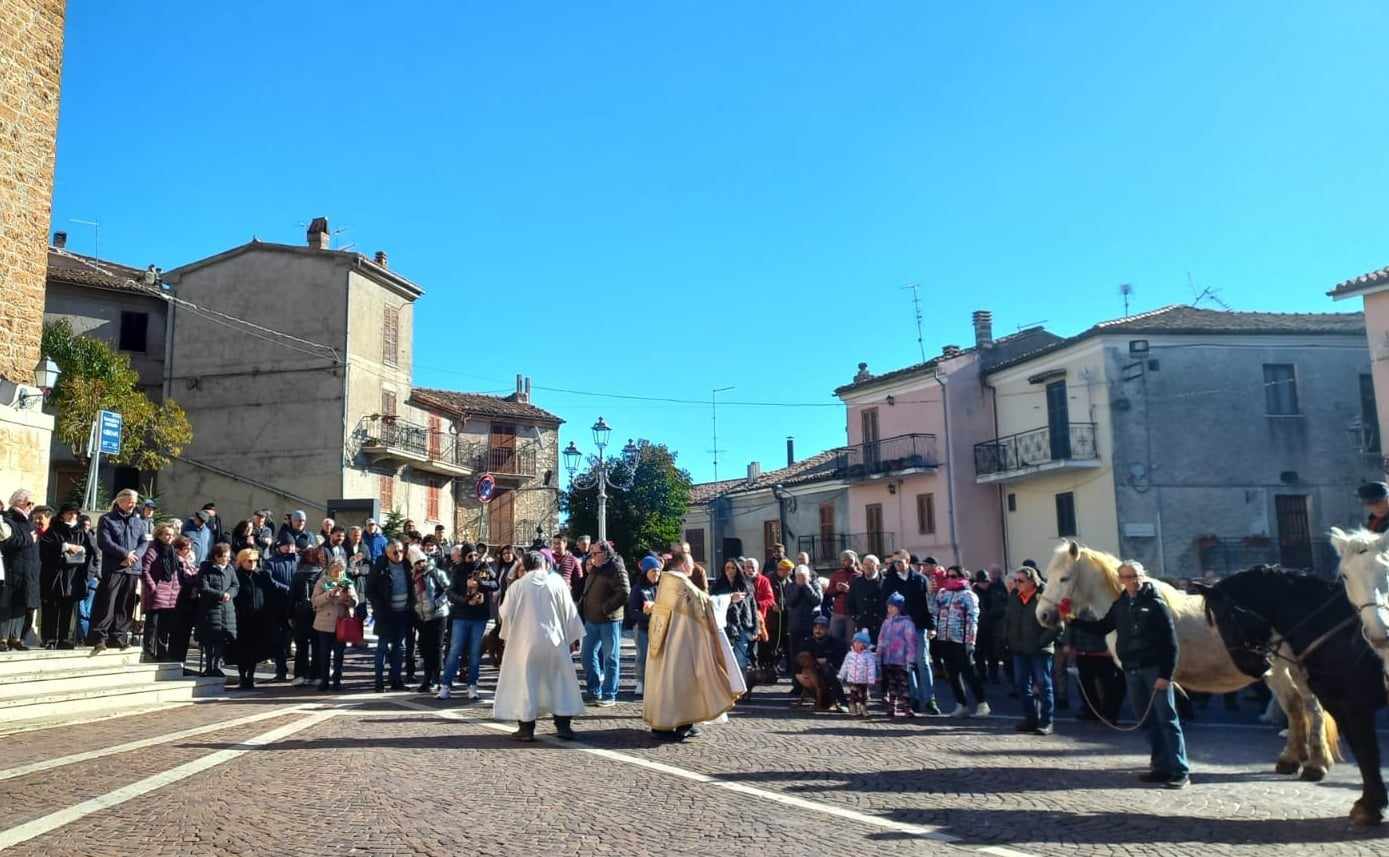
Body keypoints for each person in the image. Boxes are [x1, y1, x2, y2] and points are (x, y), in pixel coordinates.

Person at [1073, 560, 1189, 787]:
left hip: (1154, 670)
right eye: (1127, 577)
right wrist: (1072, 621)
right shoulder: (1121, 604)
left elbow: (1171, 644)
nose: (1132, 580)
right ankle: (1160, 766)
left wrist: (1165, 675)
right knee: (1146, 720)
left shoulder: (1156, 604)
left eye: (1135, 576)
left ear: (1142, 576)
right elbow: (1102, 627)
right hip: (1132, 670)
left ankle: (1179, 770)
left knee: (1167, 720)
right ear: (1121, 581)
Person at [643, 551, 744, 740]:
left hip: (671, 641)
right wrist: (729, 598)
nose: (693, 567)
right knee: (680, 682)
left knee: (674, 683)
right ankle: (671, 726)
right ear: (682, 565)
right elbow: (704, 603)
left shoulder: (666, 581)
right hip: (678, 645)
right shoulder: (681, 582)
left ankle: (675, 724)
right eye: (690, 563)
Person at [492, 550, 584, 741]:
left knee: (527, 683)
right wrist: (573, 637)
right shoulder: (557, 582)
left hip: (526, 644)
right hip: (555, 641)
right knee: (560, 683)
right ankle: (563, 726)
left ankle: (526, 728)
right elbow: (569, 612)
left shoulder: (518, 586)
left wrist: (510, 634)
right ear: (544, 564)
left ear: (525, 565)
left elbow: (505, 613)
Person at [1005, 565, 1061, 735]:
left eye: (1020, 581)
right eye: (1015, 581)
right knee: (1021, 685)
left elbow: (1057, 627)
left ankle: (1046, 722)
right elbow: (1008, 620)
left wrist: (1039, 643)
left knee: (1044, 685)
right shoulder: (1014, 596)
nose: (1017, 584)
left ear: (1032, 581)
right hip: (1019, 649)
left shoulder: (1045, 597)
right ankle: (1031, 719)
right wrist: (1007, 640)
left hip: (1040, 650)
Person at [91, 489, 149, 652]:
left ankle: (119, 636)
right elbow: (104, 541)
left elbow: (143, 542)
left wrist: (134, 556)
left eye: (135, 501)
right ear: (120, 500)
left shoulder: (138, 522)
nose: (133, 504)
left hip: (132, 568)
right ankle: (100, 637)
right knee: (107, 602)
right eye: (130, 501)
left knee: (126, 604)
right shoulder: (107, 519)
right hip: (115, 567)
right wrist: (124, 554)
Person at [440, 542, 497, 700]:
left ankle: (472, 685)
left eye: (475, 555)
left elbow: (495, 583)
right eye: (469, 556)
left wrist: (481, 583)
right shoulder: (458, 571)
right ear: (464, 557)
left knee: (474, 652)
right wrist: (465, 600)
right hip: (461, 615)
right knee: (454, 650)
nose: (473, 558)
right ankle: (446, 684)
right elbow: (450, 592)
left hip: (479, 616)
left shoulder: (484, 567)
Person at [933, 565, 990, 717]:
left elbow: (973, 620)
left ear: (962, 577)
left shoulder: (968, 595)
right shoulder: (942, 593)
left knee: (969, 672)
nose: (950, 579)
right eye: (948, 576)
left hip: (961, 640)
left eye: (954, 576)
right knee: (951, 674)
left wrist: (971, 641)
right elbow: (935, 612)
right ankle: (961, 704)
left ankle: (982, 703)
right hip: (944, 638)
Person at [579, 540, 630, 707]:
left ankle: (609, 694)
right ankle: (594, 691)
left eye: (595, 553)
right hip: (592, 620)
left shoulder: (616, 567)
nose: (592, 557)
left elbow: (624, 591)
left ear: (605, 553)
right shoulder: (596, 567)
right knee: (587, 655)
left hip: (609, 620)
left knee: (610, 658)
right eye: (591, 554)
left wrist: (606, 608)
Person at [40, 502, 95, 649]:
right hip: (55, 575)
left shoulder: (81, 532)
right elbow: (44, 548)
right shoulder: (53, 530)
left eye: (75, 514)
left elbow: (93, 552)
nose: (73, 516)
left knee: (67, 607)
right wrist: (65, 546)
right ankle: (50, 638)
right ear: (62, 515)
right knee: (52, 607)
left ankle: (63, 638)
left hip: (74, 575)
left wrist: (82, 550)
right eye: (69, 513)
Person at [367, 540, 413, 692]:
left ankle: (396, 680)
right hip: (385, 614)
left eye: (400, 551)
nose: (398, 554)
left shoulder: (407, 565)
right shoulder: (380, 566)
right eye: (395, 552)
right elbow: (370, 590)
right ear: (387, 553)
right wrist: (379, 608)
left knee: (399, 648)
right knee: (382, 648)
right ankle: (378, 682)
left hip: (403, 613)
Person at [229, 548, 276, 689]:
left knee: (255, 650)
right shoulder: (236, 576)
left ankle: (250, 676)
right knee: (242, 650)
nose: (253, 563)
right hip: (242, 619)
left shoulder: (261, 575)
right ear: (241, 561)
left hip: (258, 618)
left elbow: (272, 591)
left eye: (255, 560)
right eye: (249, 561)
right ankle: (242, 676)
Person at [0, 491, 41, 650]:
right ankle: (2, 639)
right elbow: (7, 541)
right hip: (13, 568)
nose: (31, 507)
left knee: (22, 604)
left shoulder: (29, 521)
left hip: (29, 569)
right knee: (7, 605)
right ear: (18, 502)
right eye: (29, 503)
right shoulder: (8, 518)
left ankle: (16, 638)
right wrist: (29, 539)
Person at [311, 558, 357, 691]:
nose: (338, 574)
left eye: (340, 571)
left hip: (341, 623)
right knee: (324, 654)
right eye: (335, 571)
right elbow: (314, 601)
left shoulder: (347, 582)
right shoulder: (322, 582)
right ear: (330, 570)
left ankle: (337, 680)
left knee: (339, 654)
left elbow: (355, 601)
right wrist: (329, 595)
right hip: (324, 624)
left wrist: (348, 598)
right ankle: (324, 680)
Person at [140, 523, 184, 660]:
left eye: (171, 535)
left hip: (170, 593)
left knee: (164, 626)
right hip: (156, 592)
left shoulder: (171, 550)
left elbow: (174, 572)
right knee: (152, 625)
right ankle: (147, 652)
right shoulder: (153, 549)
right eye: (166, 534)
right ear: (159, 534)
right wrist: (153, 587)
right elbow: (144, 570)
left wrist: (176, 589)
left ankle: (161, 653)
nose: (169, 537)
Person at [410, 545, 450, 693]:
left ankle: (437, 679)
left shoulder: (435, 573)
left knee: (436, 647)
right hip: (423, 616)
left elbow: (447, 589)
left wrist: (436, 604)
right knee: (424, 647)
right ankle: (427, 679)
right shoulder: (415, 577)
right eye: (417, 563)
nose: (421, 564)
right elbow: (416, 597)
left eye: (422, 561)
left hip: (438, 614)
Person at [196, 544, 238, 678]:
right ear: (216, 557)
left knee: (221, 639)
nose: (227, 559)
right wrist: (220, 595)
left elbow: (235, 585)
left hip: (226, 610)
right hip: (210, 609)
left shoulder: (230, 569)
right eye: (224, 557)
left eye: (228, 556)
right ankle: (208, 667)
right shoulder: (206, 568)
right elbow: (203, 587)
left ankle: (216, 666)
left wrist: (229, 594)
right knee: (209, 640)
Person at [876, 592, 920, 718]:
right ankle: (892, 707)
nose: (889, 609)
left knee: (903, 685)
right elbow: (881, 638)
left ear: (899, 608)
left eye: (892, 607)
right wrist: (879, 653)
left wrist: (910, 659)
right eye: (888, 606)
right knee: (891, 685)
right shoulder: (886, 622)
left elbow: (911, 642)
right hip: (888, 659)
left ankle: (907, 707)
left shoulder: (907, 623)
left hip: (901, 660)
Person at [710, 558, 757, 672]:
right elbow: (713, 606)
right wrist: (730, 600)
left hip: (743, 626)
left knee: (741, 661)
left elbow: (753, 607)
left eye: (733, 568)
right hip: (726, 627)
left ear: (738, 569)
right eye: (727, 568)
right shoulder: (718, 587)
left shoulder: (746, 585)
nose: (730, 571)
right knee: (725, 662)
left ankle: (743, 689)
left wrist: (756, 628)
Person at [263, 533, 298, 680]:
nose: (290, 548)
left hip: (295, 606)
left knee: (294, 639)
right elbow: (269, 580)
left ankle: (299, 672)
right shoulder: (271, 562)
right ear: (280, 546)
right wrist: (286, 588)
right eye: (287, 545)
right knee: (279, 641)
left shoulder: (298, 561)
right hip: (278, 606)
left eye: (292, 545)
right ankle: (281, 670)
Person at [626, 555, 662, 698]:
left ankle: (655, 683)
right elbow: (633, 612)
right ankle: (641, 681)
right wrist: (649, 615)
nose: (656, 574)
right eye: (653, 571)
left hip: (659, 628)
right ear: (646, 571)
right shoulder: (638, 588)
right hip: (643, 628)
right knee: (643, 656)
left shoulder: (661, 587)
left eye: (658, 571)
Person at [796, 615, 848, 710]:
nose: (818, 630)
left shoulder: (836, 643)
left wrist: (827, 660)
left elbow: (840, 660)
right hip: (812, 672)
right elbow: (800, 659)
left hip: (830, 672)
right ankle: (821, 700)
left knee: (828, 670)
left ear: (827, 629)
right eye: (815, 627)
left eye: (821, 628)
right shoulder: (807, 642)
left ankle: (842, 702)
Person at [290, 546, 323, 686]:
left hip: (300, 614)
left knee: (301, 646)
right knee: (317, 645)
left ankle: (300, 675)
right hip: (317, 612)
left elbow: (291, 597)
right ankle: (316, 675)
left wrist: (290, 615)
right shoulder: (321, 574)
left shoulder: (297, 574)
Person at [167, 536, 200, 668]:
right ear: (178, 550)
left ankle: (181, 662)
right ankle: (174, 662)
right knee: (177, 634)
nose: (189, 551)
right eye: (186, 549)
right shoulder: (176, 562)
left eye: (190, 549)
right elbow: (181, 580)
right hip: (179, 602)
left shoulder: (189, 563)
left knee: (185, 635)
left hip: (190, 602)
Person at [973, 568, 1009, 684]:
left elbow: (1004, 605)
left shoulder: (997, 590)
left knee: (993, 653)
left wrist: (995, 614)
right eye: (982, 582)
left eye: (986, 581)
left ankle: (993, 674)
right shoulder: (973, 592)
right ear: (977, 582)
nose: (984, 584)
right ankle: (982, 673)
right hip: (978, 627)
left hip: (994, 626)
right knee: (979, 652)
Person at [784, 562, 824, 659]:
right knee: (795, 652)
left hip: (810, 624)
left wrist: (806, 586)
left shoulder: (815, 584)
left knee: (810, 652)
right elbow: (789, 602)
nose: (801, 579)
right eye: (799, 577)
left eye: (803, 577)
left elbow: (817, 600)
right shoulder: (791, 585)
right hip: (795, 625)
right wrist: (798, 588)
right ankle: (795, 673)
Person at [74, 514, 101, 645]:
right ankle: (83, 637)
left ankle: (84, 637)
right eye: (84, 525)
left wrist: (96, 576)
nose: (86, 528)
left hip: (90, 578)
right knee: (82, 611)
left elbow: (98, 559)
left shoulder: (92, 539)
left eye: (88, 526)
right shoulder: (79, 538)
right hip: (81, 578)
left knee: (85, 611)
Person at [838, 630, 879, 717]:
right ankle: (853, 708)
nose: (856, 644)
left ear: (864, 645)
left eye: (859, 642)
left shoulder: (868, 655)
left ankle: (862, 708)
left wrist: (871, 679)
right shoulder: (850, 655)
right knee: (853, 695)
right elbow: (845, 665)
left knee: (862, 696)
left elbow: (871, 668)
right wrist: (841, 675)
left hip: (863, 680)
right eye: (855, 642)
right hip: (852, 679)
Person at [826, 550, 859, 643]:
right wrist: (837, 589)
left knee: (850, 641)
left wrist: (849, 590)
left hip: (852, 614)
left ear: (854, 560)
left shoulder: (859, 575)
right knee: (834, 640)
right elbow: (829, 592)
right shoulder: (836, 574)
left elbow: (861, 594)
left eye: (849, 560)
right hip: (837, 612)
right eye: (844, 560)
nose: (846, 562)